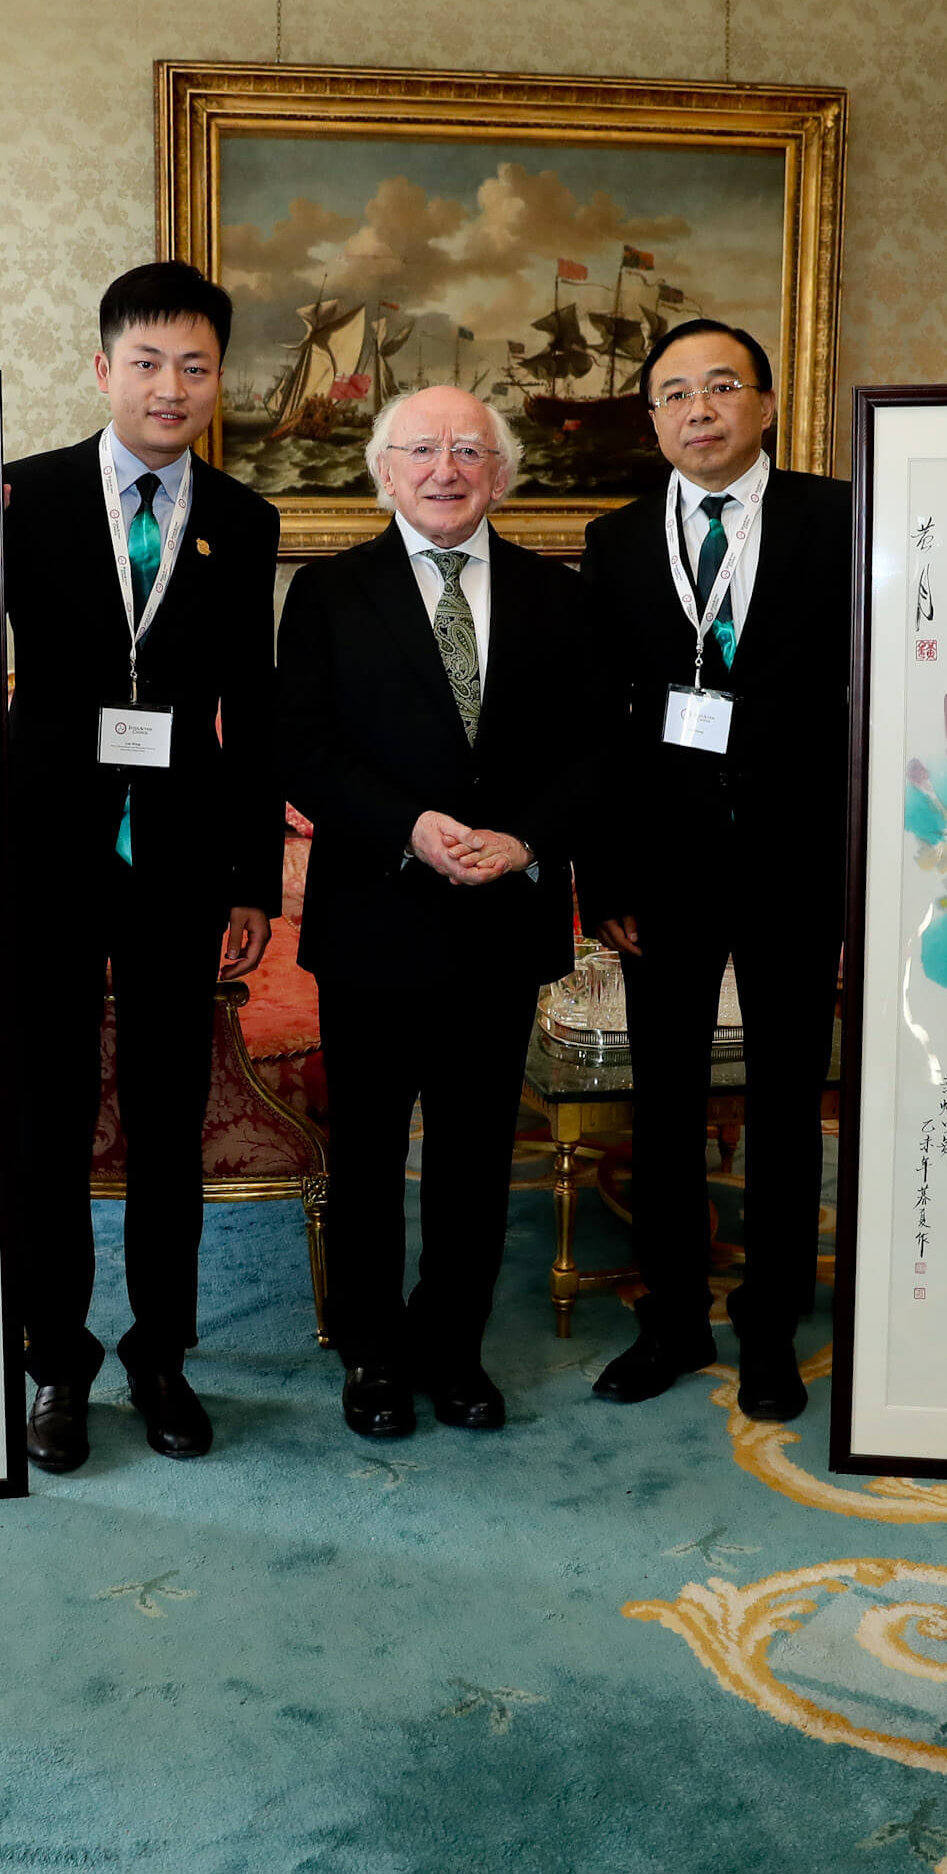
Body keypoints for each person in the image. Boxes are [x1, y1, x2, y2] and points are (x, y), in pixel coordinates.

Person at [0, 262, 281, 1471]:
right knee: (46, 1118)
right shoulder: (20, 495)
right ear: (103, 367)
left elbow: (253, 710)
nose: (173, 386)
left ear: (220, 379)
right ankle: (54, 1359)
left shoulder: (243, 518)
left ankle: (161, 1352)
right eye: (149, 362)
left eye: (196, 366)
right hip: (44, 851)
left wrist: (255, 877)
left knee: (170, 1119)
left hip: (179, 857)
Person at [278, 386, 601, 1438]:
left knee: (474, 1156)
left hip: (500, 921)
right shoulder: (328, 593)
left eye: (469, 449)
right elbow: (302, 749)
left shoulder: (559, 596)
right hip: (374, 916)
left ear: (501, 474)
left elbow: (591, 750)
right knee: (369, 1155)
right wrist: (409, 827)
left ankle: (453, 1345)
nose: (445, 468)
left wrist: (526, 841)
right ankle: (372, 1351)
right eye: (421, 449)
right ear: (384, 471)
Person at [579, 320, 853, 1423]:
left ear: (768, 405)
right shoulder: (615, 540)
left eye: (723, 386)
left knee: (789, 1098)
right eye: (675, 393)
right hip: (665, 868)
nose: (700, 409)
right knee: (666, 1099)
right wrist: (605, 879)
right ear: (652, 420)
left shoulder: (839, 518)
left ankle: (771, 1322)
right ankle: (674, 1317)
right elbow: (599, 726)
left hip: (800, 857)